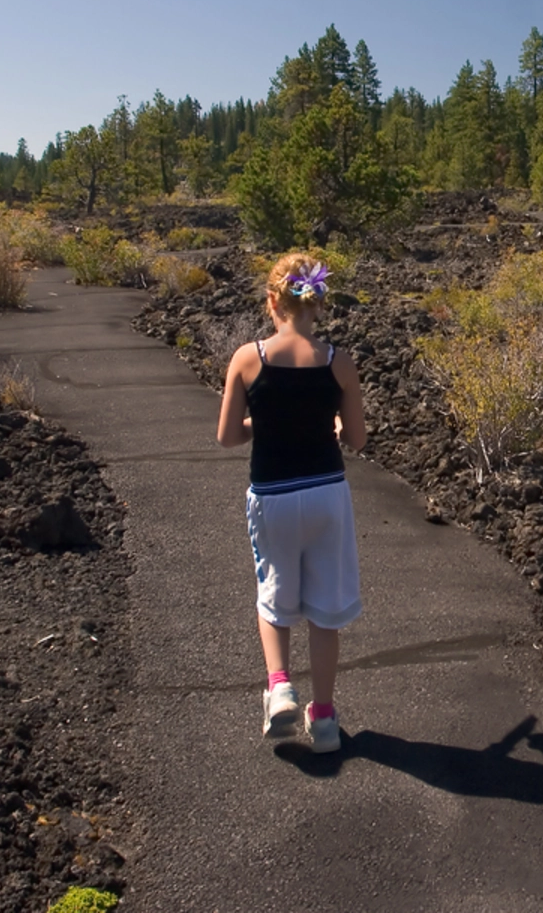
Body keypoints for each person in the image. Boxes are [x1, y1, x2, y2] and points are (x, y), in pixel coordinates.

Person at [216, 252, 367, 753]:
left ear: (271, 301)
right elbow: (358, 439)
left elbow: (227, 437)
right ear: (318, 304)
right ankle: (323, 720)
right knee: (325, 612)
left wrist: (268, 421)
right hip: (326, 493)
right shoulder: (337, 361)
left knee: (274, 596)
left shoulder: (247, 358)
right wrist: (336, 424)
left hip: (274, 496)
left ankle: (279, 687)